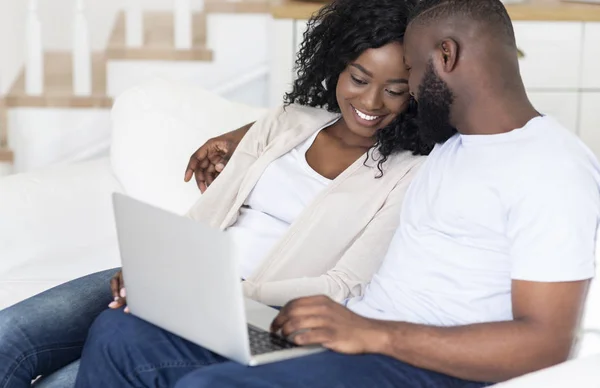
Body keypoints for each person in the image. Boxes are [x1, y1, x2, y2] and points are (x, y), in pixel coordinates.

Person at [74, 0, 600, 387]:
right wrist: (243, 136)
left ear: (447, 56)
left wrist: (375, 334)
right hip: (353, 337)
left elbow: (547, 341)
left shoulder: (553, 168)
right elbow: (325, 127)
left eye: (409, 75)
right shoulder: (454, 148)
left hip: (415, 364)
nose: (407, 95)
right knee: (122, 335)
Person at [0, 0, 430, 386]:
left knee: (70, 378)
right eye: (359, 78)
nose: (372, 102)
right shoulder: (288, 122)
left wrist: (221, 293)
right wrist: (154, 267)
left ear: (415, 93)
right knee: (10, 335)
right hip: (183, 278)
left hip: (259, 316)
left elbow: (345, 285)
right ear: (337, 64)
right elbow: (206, 214)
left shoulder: (409, 173)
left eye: (394, 91)